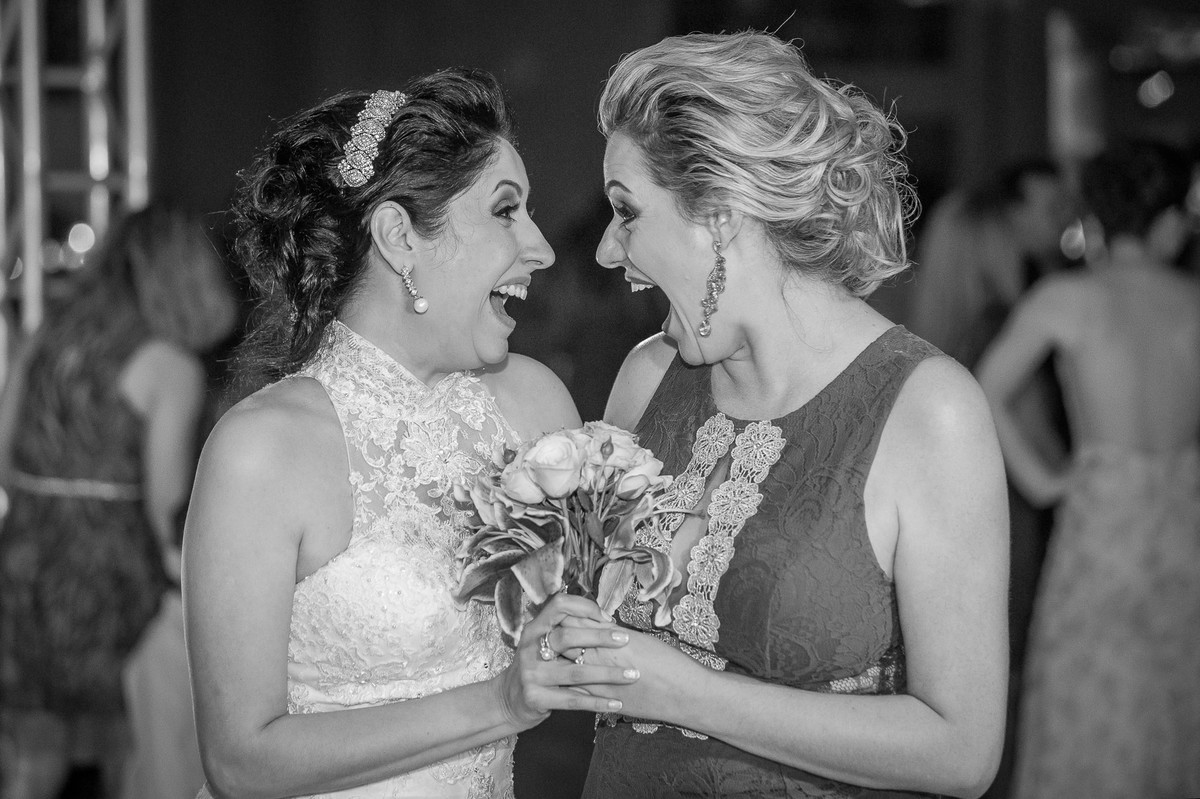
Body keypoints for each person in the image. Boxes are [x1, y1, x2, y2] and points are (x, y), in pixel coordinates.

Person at [560, 31, 1009, 798]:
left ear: (719, 211)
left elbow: (962, 751)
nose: (607, 249)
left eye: (626, 211)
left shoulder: (928, 411)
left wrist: (689, 694)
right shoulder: (646, 378)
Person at [181, 68, 638, 799]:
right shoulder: (262, 451)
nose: (542, 248)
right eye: (506, 211)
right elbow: (240, 760)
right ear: (400, 238)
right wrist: (498, 704)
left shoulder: (534, 405)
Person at [977, 139, 1200, 799]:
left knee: (1090, 697)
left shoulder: (1069, 298)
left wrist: (1042, 482)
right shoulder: (1192, 299)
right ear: (1168, 220)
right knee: (1173, 699)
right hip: (1186, 516)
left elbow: (984, 389)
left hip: (1105, 517)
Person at [0, 207, 239, 799]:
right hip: (110, 579)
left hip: (24, 563)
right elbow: (166, 507)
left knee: (33, 753)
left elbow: (5, 456)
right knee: (131, 754)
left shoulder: (47, 336)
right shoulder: (168, 365)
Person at [906, 163, 1074, 799]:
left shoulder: (938, 336)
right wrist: (1062, 480)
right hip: (1011, 505)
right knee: (1007, 662)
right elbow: (1032, 432)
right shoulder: (1005, 319)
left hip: (954, 500)